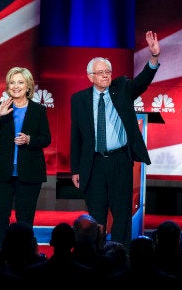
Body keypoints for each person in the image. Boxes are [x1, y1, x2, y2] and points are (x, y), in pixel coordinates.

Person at [70, 31, 161, 248]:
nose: (105, 76)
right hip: (94, 163)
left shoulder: (122, 89)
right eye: (100, 73)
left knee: (121, 212)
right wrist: (75, 169)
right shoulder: (79, 99)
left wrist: (154, 58)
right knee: (96, 214)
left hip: (120, 161)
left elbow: (142, 82)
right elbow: (76, 136)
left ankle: (121, 254)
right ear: (90, 76)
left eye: (108, 72)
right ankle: (96, 252)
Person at [0, 66, 52, 244]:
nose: (16, 86)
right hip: (3, 172)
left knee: (25, 219)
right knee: (1, 217)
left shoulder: (38, 110)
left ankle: (23, 254)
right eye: (12, 82)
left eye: (20, 82)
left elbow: (46, 138)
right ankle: (0, 255)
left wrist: (29, 139)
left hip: (29, 172)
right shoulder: (3, 106)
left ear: (28, 86)